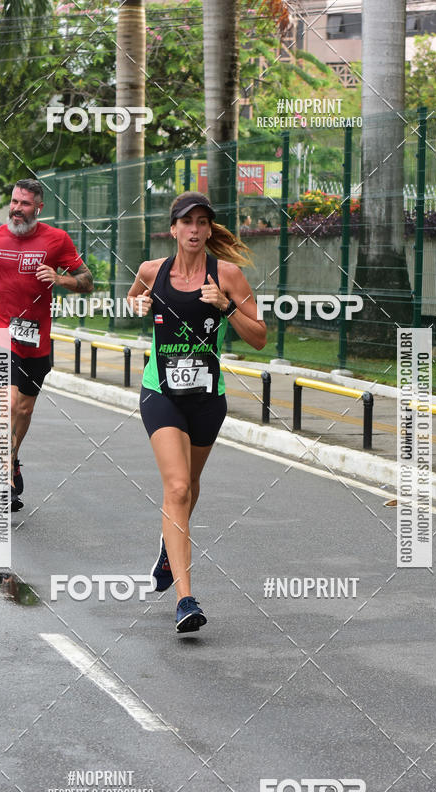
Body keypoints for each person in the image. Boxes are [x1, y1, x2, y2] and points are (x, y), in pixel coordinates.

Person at [129, 191, 266, 633]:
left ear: (209, 230)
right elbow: (133, 297)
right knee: (178, 485)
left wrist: (225, 308)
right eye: (187, 222)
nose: (194, 230)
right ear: (173, 229)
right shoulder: (153, 271)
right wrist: (139, 305)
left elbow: (260, 336)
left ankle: (170, 550)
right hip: (161, 391)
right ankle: (186, 599)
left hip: (208, 398)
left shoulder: (227, 276)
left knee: (192, 485)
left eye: (202, 222)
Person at [0, 178, 93, 511]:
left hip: (36, 340)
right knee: (6, 405)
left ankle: (11, 458)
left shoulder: (57, 240)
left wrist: (61, 279)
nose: (17, 208)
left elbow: (87, 281)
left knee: (23, 409)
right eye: (14, 201)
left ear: (38, 207)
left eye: (25, 203)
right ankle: (3, 477)